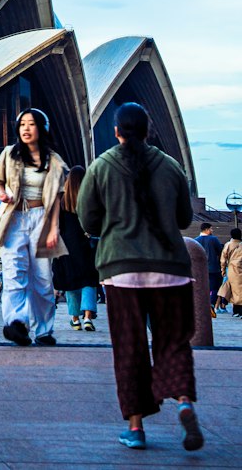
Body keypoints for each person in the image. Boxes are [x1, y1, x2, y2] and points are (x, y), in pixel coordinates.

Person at [78, 101, 204, 453]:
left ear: (116, 131)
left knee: (130, 348)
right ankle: (183, 402)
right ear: (149, 129)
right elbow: (183, 219)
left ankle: (136, 428)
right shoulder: (170, 166)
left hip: (122, 271)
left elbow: (88, 220)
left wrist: (116, 227)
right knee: (172, 341)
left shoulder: (101, 166)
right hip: (170, 270)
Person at [0, 107, 67, 346]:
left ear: (41, 128)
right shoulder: (9, 154)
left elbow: (55, 198)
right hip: (14, 217)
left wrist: (54, 228)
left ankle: (44, 330)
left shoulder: (53, 160)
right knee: (14, 272)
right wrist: (2, 194)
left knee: (43, 279)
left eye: (31, 124)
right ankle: (17, 323)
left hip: (40, 218)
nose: (26, 128)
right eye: (22, 124)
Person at [52, 164, 99, 331]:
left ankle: (75, 319)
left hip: (67, 246)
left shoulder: (61, 200)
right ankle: (87, 317)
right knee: (89, 281)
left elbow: (57, 226)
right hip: (86, 246)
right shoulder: (89, 198)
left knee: (71, 283)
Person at [195, 222, 222, 312]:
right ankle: (211, 304)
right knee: (215, 287)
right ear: (206, 230)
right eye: (210, 228)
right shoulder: (213, 239)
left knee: (202, 287)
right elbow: (220, 252)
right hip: (214, 268)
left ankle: (202, 305)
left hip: (200, 269)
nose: (212, 230)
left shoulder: (196, 240)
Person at [219, 227, 242, 318]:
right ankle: (240, 311)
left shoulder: (228, 245)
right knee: (239, 291)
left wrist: (223, 270)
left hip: (231, 270)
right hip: (240, 270)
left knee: (233, 290)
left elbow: (223, 259)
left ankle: (235, 311)